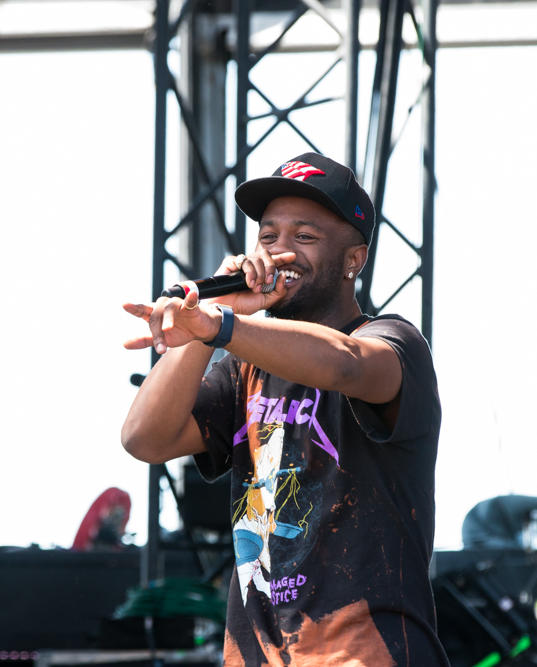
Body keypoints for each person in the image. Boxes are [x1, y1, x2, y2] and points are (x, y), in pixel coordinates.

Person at [121, 152, 448, 666]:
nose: (280, 252)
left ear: (353, 260)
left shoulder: (393, 342)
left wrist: (222, 329)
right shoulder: (240, 370)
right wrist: (212, 318)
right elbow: (145, 438)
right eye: (268, 236)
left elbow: (343, 365)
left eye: (304, 237)